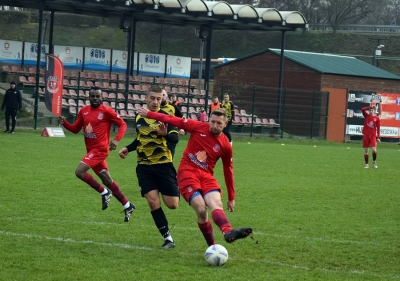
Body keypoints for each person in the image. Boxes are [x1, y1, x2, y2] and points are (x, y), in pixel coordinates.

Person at [137, 106, 253, 246]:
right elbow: (173, 119)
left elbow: (228, 169)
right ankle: (213, 246)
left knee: (216, 203)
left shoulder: (226, 145)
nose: (214, 126)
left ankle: (228, 231)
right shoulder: (198, 126)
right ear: (209, 120)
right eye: (213, 122)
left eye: (219, 123)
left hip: (206, 176)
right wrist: (150, 114)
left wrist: (231, 197)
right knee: (201, 208)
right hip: (188, 172)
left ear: (225, 124)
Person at [58, 87, 136, 222]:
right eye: (92, 96)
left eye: (97, 96)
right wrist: (64, 123)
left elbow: (122, 124)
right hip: (91, 151)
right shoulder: (84, 111)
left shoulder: (106, 111)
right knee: (107, 180)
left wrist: (116, 140)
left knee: (79, 172)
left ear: (102, 98)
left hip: (100, 150)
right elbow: (76, 129)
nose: (95, 98)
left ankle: (104, 192)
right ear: (89, 97)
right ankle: (127, 205)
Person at [119, 86, 180, 249]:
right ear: (146, 99)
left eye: (158, 99)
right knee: (153, 202)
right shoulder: (140, 116)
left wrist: (164, 134)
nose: (155, 101)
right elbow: (141, 139)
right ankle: (168, 239)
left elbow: (175, 139)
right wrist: (127, 148)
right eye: (152, 98)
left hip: (163, 165)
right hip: (144, 167)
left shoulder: (167, 117)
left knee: (173, 204)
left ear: (162, 99)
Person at [160, 89, 184, 158]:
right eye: (160, 95)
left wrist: (182, 128)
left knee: (168, 158)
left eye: (163, 95)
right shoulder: (155, 108)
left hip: (171, 135)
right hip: (159, 135)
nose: (162, 96)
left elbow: (182, 118)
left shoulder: (173, 107)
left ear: (167, 96)